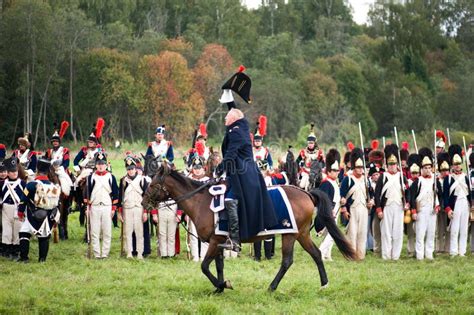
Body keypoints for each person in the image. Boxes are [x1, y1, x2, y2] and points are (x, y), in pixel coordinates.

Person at [215, 108, 277, 252]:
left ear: (234, 119)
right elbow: (234, 112)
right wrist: (229, 96)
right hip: (237, 173)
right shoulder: (239, 128)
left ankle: (234, 240)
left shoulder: (236, 132)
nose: (225, 118)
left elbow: (230, 154)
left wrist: (218, 169)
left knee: (230, 200)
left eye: (227, 117)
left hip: (244, 175)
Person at [17, 158, 61, 263]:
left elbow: (23, 200)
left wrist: (20, 212)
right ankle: (42, 260)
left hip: (33, 215)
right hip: (49, 216)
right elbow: (57, 204)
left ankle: (24, 258)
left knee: (24, 233)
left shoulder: (31, 185)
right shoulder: (53, 186)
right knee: (44, 237)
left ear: (37, 170)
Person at [375, 144, 410, 260]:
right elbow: (377, 194)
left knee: (398, 233)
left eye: (394, 164)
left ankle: (395, 256)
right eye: (390, 164)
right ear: (387, 165)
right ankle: (386, 255)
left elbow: (407, 192)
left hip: (399, 207)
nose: (392, 166)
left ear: (397, 164)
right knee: (386, 232)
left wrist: (407, 203)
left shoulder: (402, 176)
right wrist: (379, 209)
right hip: (387, 207)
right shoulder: (383, 177)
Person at [84, 151, 118, 259]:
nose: (100, 166)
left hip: (107, 207)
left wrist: (113, 208)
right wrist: (87, 207)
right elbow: (86, 194)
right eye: (98, 164)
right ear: (96, 165)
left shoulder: (111, 177)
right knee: (95, 232)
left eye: (102, 163)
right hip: (94, 207)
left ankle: (105, 254)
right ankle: (97, 254)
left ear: (106, 165)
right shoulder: (91, 177)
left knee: (107, 232)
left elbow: (116, 194)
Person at [340, 148, 372, 259]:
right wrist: (344, 209)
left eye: (361, 167)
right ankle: (351, 255)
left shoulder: (366, 180)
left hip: (363, 208)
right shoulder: (348, 179)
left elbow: (370, 194)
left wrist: (371, 202)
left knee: (362, 233)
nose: (360, 169)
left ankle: (361, 255)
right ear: (354, 167)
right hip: (352, 209)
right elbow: (342, 196)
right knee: (352, 233)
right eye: (358, 167)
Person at [409, 148, 439, 260]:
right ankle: (420, 255)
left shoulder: (435, 180)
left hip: (431, 209)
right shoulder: (418, 181)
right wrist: (413, 211)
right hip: (421, 209)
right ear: (422, 169)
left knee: (431, 233)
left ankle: (429, 254)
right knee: (420, 234)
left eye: (429, 168)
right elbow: (412, 197)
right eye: (425, 168)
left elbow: (438, 195)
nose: (427, 170)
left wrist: (437, 206)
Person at [118, 155, 149, 259]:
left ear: (135, 168)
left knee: (139, 231)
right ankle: (129, 252)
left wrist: (145, 212)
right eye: (128, 169)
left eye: (132, 169)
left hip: (138, 208)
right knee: (128, 232)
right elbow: (120, 197)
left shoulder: (142, 180)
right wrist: (119, 212)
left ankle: (140, 253)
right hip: (127, 208)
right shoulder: (123, 180)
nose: (130, 171)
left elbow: (146, 197)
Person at [443, 144, 471, 257]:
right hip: (454, 205)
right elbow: (445, 196)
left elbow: (470, 192)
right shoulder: (448, 178)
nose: (458, 166)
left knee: (464, 229)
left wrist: (472, 204)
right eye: (455, 164)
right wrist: (448, 209)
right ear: (452, 165)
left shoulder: (465, 177)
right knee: (454, 229)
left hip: (465, 203)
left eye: (459, 164)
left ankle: (462, 251)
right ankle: (453, 251)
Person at [318, 149, 341, 261]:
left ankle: (327, 254)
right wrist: (330, 210)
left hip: (335, 210)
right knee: (332, 235)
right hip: (329, 212)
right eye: (335, 170)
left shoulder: (334, 182)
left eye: (338, 170)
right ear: (329, 171)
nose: (337, 172)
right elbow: (324, 200)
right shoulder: (326, 183)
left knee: (330, 234)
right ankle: (321, 252)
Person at [0, 157, 26, 259]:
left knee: (17, 229)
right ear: (8, 173)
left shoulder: (23, 183)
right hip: (6, 209)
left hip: (18, 208)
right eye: (11, 171)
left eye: (15, 171)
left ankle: (16, 251)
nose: (14, 173)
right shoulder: (2, 184)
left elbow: (26, 196)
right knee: (6, 230)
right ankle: (7, 250)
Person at [187, 156, 210, 262]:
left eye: (199, 167)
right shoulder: (189, 180)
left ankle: (203, 256)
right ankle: (195, 256)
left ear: (203, 168)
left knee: (205, 234)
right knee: (193, 234)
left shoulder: (207, 180)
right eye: (195, 167)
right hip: (192, 210)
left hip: (204, 211)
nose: (197, 170)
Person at [296, 123, 324, 189]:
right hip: (305, 171)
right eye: (309, 143)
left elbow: (322, 163)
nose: (310, 145)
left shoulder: (319, 152)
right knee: (302, 185)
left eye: (312, 143)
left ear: (314, 143)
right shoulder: (303, 151)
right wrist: (300, 166)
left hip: (316, 173)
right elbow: (297, 161)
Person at [406, 153, 421, 257]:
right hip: (411, 208)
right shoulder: (408, 182)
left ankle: (419, 249)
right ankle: (410, 249)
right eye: (413, 173)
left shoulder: (421, 181)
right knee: (411, 231)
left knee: (419, 231)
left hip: (420, 207)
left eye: (417, 173)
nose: (415, 175)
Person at [436, 152, 451, 253]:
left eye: (446, 170)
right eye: (443, 170)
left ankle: (447, 248)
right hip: (440, 206)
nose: (445, 172)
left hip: (450, 206)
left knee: (449, 229)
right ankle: (439, 248)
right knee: (440, 229)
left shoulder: (451, 179)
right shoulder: (437, 180)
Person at [367, 163, 381, 254]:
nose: (376, 176)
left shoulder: (382, 182)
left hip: (381, 208)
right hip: (372, 210)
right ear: (371, 177)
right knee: (373, 229)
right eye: (374, 175)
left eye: (377, 174)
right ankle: (375, 248)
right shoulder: (369, 185)